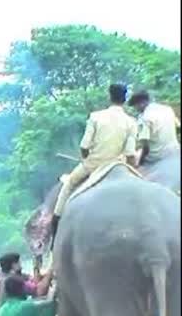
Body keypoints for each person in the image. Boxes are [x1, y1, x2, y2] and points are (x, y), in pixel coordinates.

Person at [50, 84, 138, 239]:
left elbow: (84, 146)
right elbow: (130, 153)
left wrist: (86, 158)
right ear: (124, 99)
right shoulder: (131, 122)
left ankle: (56, 223)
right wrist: (133, 168)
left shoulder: (96, 116)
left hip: (93, 165)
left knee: (69, 183)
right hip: (117, 165)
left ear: (109, 96)